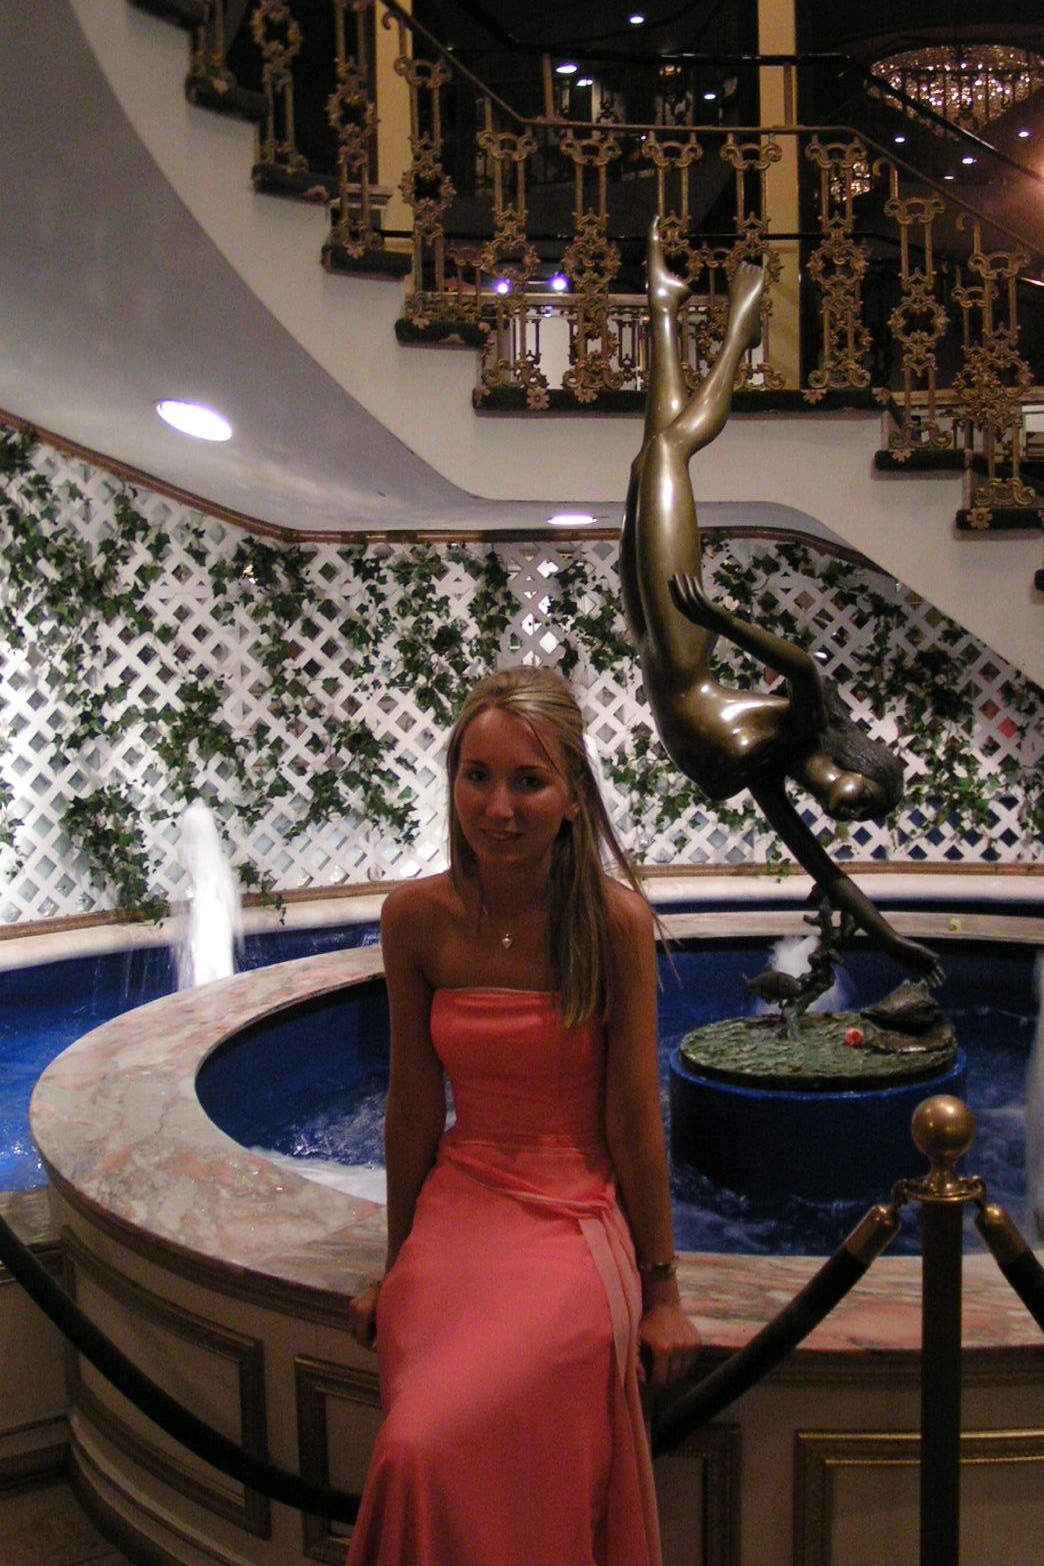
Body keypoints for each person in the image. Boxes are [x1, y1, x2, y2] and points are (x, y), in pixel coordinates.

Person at [346, 666, 699, 1566]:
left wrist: (663, 1292)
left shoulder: (612, 924)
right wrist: (394, 1269)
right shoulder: (415, 918)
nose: (497, 807)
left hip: (569, 1222)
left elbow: (635, 1121)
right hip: (456, 1213)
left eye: (528, 781)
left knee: (424, 1442)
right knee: (416, 1442)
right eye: (477, 776)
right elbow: (412, 1108)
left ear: (573, 796)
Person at [620, 218, 942, 985]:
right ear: (857, 762)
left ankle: (665, 305)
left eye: (858, 816)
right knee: (669, 452)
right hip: (686, 636)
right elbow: (803, 667)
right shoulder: (802, 725)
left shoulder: (771, 775)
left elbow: (826, 871)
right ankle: (741, 323)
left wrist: (892, 942)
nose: (852, 812)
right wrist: (720, 619)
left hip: (651, 642)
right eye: (865, 796)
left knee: (648, 458)